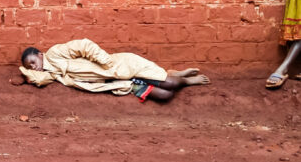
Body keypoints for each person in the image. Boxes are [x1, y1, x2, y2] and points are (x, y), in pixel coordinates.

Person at [15, 39, 210, 103]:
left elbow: (84, 45)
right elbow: (37, 79)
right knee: (164, 95)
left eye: (33, 61)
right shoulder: (51, 74)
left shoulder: (56, 53)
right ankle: (167, 75)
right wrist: (24, 72)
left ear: (40, 54)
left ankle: (182, 78)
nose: (34, 67)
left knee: (172, 84)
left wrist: (106, 61)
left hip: (119, 65)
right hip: (119, 82)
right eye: (30, 66)